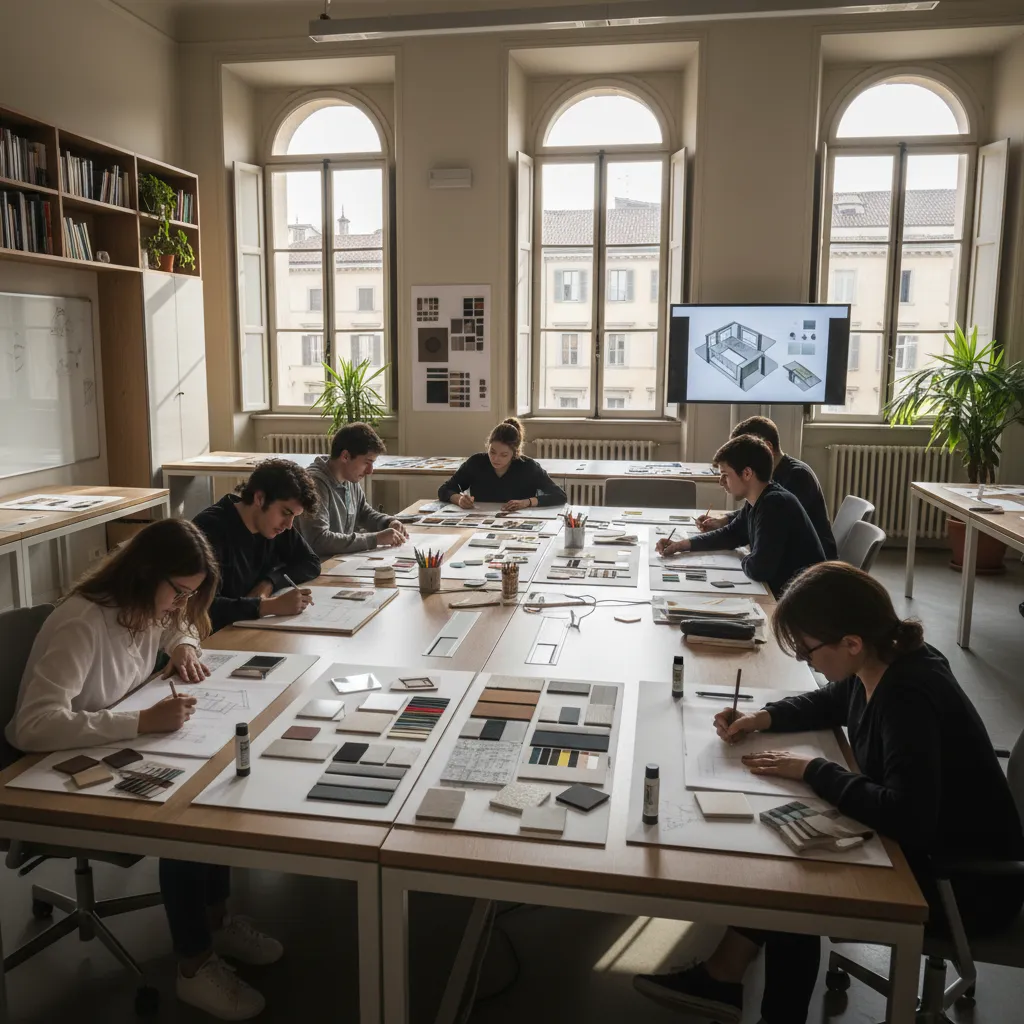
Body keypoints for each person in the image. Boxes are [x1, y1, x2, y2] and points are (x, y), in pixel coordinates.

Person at [633, 562, 1024, 1024]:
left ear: (851, 643)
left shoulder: (908, 697)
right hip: (932, 846)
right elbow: (833, 699)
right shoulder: (885, 658)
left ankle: (761, 1004)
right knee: (779, 858)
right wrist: (762, 718)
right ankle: (723, 975)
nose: (805, 661)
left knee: (797, 892)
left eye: (807, 652)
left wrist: (813, 769)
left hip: (963, 884)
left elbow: (908, 817)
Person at [6, 519, 280, 1021]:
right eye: (178, 592)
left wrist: (183, 646)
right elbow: (31, 727)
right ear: (146, 573)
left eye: (189, 595)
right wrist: (140, 721)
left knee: (215, 794)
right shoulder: (82, 621)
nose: (180, 606)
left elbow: (179, 626)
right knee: (187, 821)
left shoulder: (148, 606)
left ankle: (215, 922)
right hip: (58, 768)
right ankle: (194, 967)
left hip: (111, 741)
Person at [655, 435, 825, 597]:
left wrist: (742, 557)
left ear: (747, 473)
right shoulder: (759, 500)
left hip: (802, 601)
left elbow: (759, 569)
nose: (721, 482)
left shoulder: (774, 504)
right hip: (786, 592)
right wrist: (680, 545)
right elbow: (731, 534)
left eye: (725, 475)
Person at [193, 458, 321, 633]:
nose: (289, 525)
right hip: (216, 637)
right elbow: (202, 605)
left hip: (252, 630)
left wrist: (269, 583)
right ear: (260, 498)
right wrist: (268, 606)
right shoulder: (209, 528)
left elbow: (311, 562)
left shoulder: (275, 525)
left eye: (294, 517)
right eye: (286, 512)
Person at [698, 415, 837, 559]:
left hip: (813, 567)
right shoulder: (765, 476)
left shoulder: (798, 476)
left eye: (742, 452)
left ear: (767, 447)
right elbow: (752, 513)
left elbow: (771, 523)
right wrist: (724, 520)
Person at [296, 422, 409, 556]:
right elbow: (319, 540)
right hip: (318, 567)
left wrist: (388, 522)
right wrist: (376, 539)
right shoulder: (315, 484)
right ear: (345, 456)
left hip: (339, 561)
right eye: (367, 463)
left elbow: (363, 512)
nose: (370, 471)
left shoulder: (349, 478)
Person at [437, 417, 567, 510]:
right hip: (480, 523)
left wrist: (527, 502)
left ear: (514, 453)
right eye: (492, 452)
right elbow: (445, 489)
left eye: (503, 455)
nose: (496, 459)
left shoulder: (528, 467)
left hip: (518, 527)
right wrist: (459, 499)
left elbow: (559, 496)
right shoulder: (476, 463)